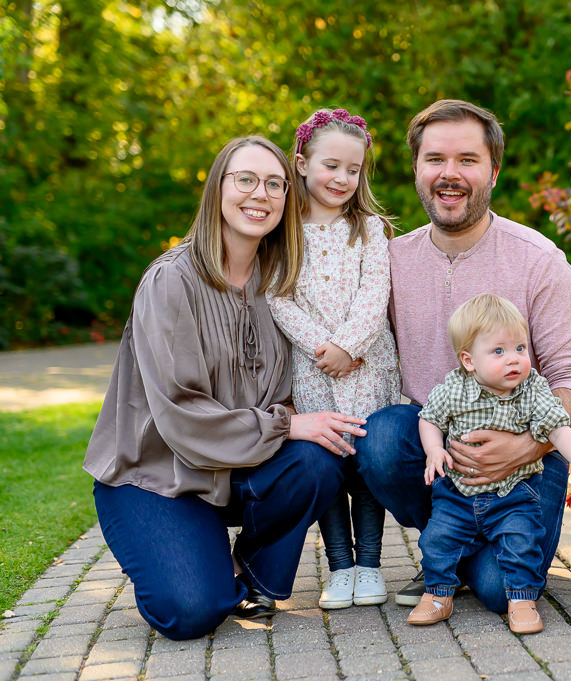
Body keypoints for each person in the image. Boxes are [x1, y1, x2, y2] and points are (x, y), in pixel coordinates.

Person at [83, 136, 367, 641]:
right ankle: (196, 564)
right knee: (191, 612)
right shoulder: (171, 281)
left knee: (321, 457)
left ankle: (249, 576)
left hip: (238, 470)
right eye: (246, 179)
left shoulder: (280, 282)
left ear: (288, 198)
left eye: (275, 184)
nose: (260, 194)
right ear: (218, 188)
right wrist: (286, 422)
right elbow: (182, 416)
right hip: (157, 476)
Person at [355, 99, 571, 615]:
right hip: (439, 450)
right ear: (417, 168)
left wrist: (526, 445)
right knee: (379, 438)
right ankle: (446, 541)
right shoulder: (391, 262)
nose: (450, 174)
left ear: (494, 170)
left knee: (496, 591)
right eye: (435, 159)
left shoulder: (538, 260)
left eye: (468, 159)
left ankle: (461, 558)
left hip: (531, 459)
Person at [408, 294, 571, 632]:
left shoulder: (533, 389)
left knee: (521, 542)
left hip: (514, 494)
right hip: (458, 493)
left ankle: (521, 600)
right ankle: (437, 594)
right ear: (469, 361)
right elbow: (429, 419)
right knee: (438, 540)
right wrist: (433, 449)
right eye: (499, 352)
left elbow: (560, 431)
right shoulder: (454, 388)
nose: (514, 359)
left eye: (520, 348)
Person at [269, 108, 399, 610]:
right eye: (331, 166)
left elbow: (375, 291)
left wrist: (350, 346)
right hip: (312, 368)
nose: (343, 178)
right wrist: (323, 347)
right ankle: (339, 566)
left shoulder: (367, 228)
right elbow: (278, 298)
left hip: (368, 364)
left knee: (366, 464)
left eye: (353, 169)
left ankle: (369, 564)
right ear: (301, 163)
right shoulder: (284, 231)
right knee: (328, 462)